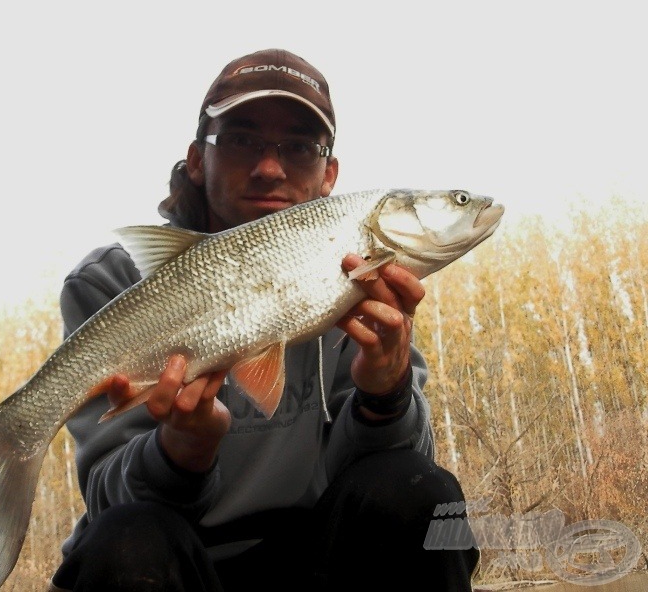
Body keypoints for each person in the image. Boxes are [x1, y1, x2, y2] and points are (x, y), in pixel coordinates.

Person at [49, 48, 479, 591]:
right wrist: (181, 452)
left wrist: (385, 396)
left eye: (299, 147)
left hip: (318, 556)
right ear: (197, 159)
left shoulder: (359, 269)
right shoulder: (111, 282)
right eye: (240, 139)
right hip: (179, 558)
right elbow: (107, 496)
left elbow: (396, 486)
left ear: (329, 175)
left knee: (416, 491)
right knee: (126, 539)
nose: (269, 167)